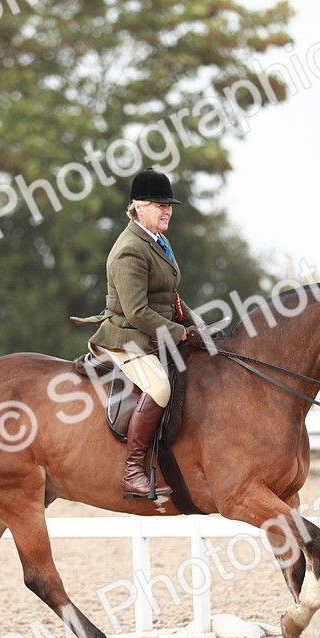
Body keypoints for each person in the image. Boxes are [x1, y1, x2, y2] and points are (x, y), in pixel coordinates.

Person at [75, 167, 206, 500]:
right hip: (126, 336)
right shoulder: (129, 249)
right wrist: (180, 334)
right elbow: (136, 311)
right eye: (159, 205)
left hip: (152, 332)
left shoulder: (157, 241)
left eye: (169, 205)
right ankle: (133, 472)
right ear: (138, 207)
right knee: (160, 387)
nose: (167, 211)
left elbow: (169, 296)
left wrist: (198, 327)